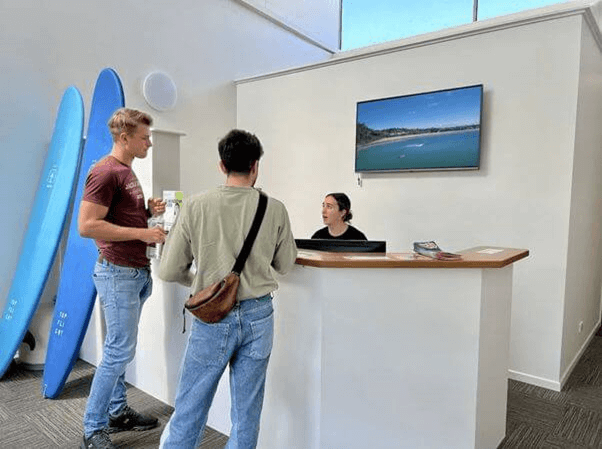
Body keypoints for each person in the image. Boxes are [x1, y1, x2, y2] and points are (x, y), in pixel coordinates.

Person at [158, 129, 297, 449]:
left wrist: (206, 285)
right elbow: (285, 264)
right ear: (255, 165)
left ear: (222, 165)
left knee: (191, 407)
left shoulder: (196, 205)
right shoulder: (274, 208)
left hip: (212, 318)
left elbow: (169, 270)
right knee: (247, 413)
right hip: (259, 316)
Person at [78, 108, 167, 449]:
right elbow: (87, 226)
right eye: (145, 137)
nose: (149, 143)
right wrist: (143, 234)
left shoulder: (126, 170)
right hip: (118, 273)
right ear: (125, 138)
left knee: (119, 349)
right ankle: (93, 429)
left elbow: (118, 218)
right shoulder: (105, 172)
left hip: (133, 272)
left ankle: (117, 412)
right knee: (118, 352)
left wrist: (146, 213)